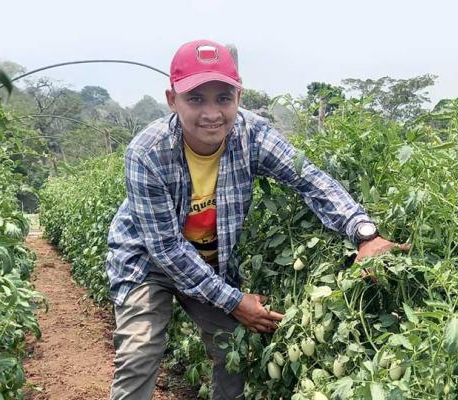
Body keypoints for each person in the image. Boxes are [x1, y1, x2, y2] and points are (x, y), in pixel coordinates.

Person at [106, 39, 406, 400]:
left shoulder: (254, 135)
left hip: (208, 262)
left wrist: (364, 232)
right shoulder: (147, 152)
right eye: (196, 99)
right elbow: (166, 248)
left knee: (234, 347)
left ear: (239, 96)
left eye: (223, 98)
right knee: (140, 352)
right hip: (147, 261)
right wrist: (234, 300)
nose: (212, 112)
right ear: (172, 100)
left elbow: (308, 179)